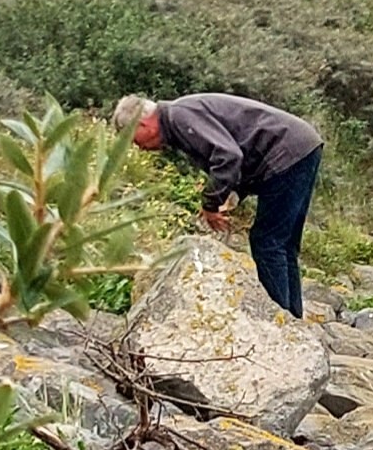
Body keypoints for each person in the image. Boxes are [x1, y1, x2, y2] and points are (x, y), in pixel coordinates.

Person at [114, 92, 325, 316]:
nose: (139, 147)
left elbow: (228, 156)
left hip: (286, 150)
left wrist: (211, 203)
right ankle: (293, 320)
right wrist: (229, 197)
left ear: (143, 124)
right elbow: (237, 154)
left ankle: (280, 323)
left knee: (267, 243)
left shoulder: (179, 116)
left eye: (134, 140)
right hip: (301, 145)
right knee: (284, 245)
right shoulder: (180, 117)